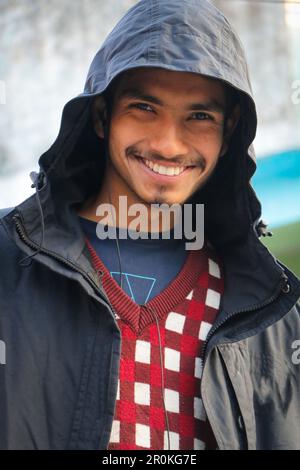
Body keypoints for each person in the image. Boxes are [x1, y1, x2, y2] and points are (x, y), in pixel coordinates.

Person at [0, 0, 299, 451]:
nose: (167, 144)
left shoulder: (269, 314)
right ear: (102, 115)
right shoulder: (8, 262)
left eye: (199, 116)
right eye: (144, 107)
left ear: (229, 128)